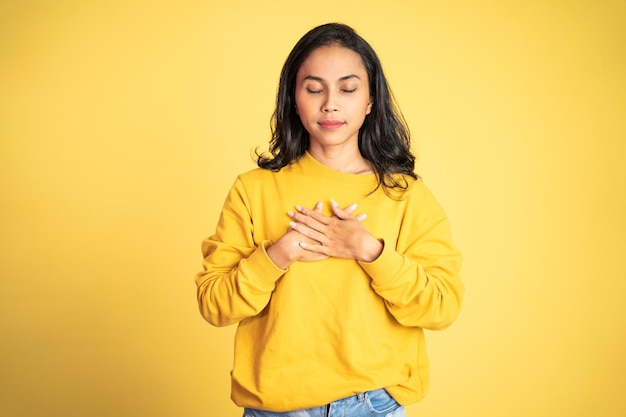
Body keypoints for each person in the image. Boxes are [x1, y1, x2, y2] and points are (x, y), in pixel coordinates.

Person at [195, 22, 464, 417]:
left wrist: (369, 251)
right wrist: (276, 255)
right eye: (314, 88)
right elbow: (214, 304)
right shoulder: (253, 190)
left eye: (348, 89)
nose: (330, 104)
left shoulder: (406, 196)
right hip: (277, 409)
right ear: (294, 98)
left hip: (374, 405)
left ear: (371, 100)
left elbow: (441, 307)